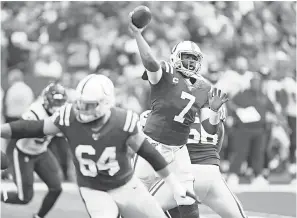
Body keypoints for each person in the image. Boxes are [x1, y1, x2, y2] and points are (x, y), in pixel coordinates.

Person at [1, 74, 194, 218]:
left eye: (90, 105)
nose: (83, 110)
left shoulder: (122, 121)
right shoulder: (69, 117)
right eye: (81, 103)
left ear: (106, 102)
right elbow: (32, 127)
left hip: (126, 185)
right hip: (94, 190)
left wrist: (174, 184)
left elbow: (148, 152)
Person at [129, 10, 228, 218]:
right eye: (186, 57)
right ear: (176, 57)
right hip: (152, 144)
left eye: (194, 59)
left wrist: (215, 112)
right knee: (134, 196)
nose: (191, 62)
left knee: (186, 194)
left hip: (179, 149)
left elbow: (209, 129)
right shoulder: (165, 72)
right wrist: (138, 35)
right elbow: (149, 62)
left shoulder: (204, 86)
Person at [1, 83, 67, 218]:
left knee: (56, 188)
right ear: (46, 100)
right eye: (55, 102)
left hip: (41, 152)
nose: (57, 106)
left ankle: (39, 216)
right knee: (24, 197)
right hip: (23, 153)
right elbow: (17, 132)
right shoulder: (34, 112)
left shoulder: (64, 113)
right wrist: (7, 162)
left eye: (61, 102)